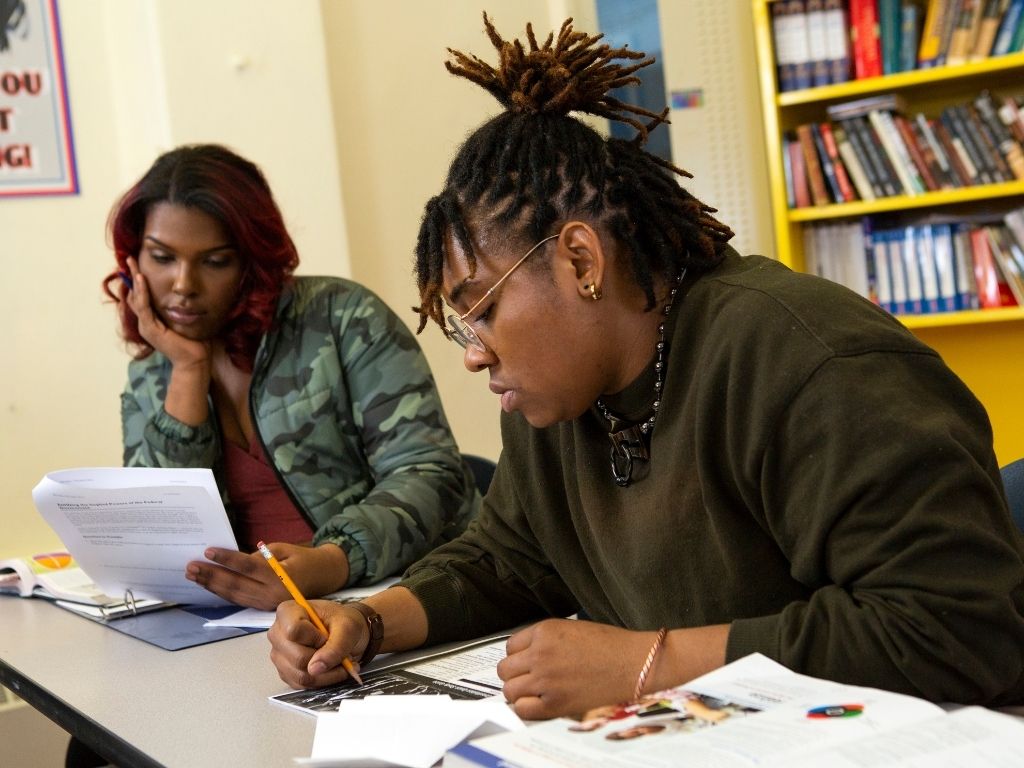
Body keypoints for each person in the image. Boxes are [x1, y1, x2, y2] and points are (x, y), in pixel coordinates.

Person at [267, 14, 1024, 720]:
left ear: (579, 260)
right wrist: (368, 621)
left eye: (483, 308)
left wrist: (649, 666)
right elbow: (512, 556)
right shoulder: (560, 401)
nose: (473, 352)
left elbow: (952, 626)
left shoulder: (809, 363)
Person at [102, 143, 478, 611]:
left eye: (215, 261)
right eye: (162, 258)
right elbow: (156, 538)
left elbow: (429, 473)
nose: (183, 285)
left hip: (395, 599)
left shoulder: (343, 318)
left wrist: (331, 559)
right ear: (133, 262)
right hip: (238, 627)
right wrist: (187, 369)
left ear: (251, 260)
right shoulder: (148, 377)